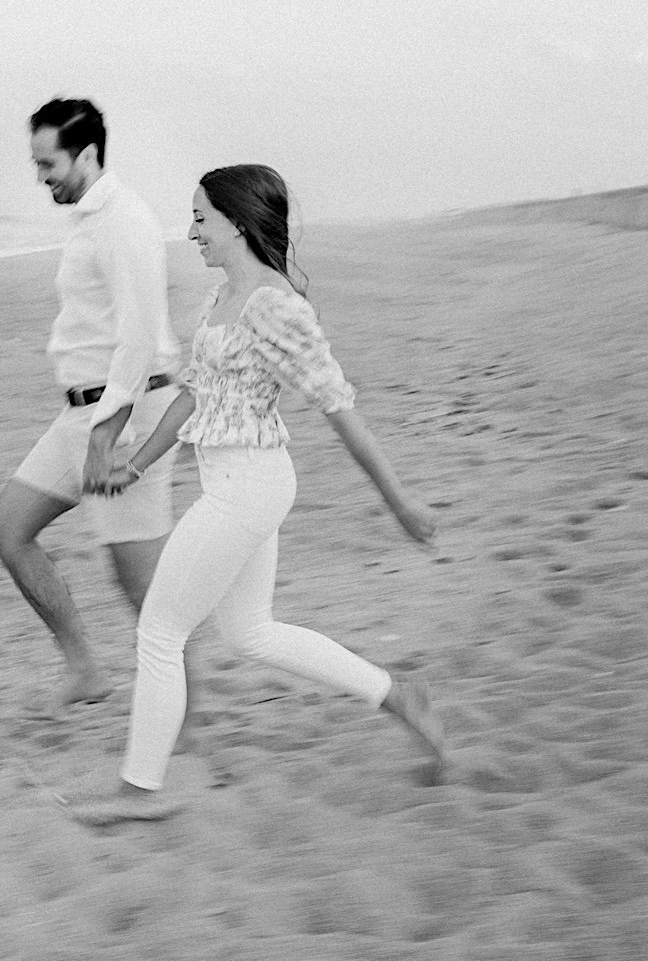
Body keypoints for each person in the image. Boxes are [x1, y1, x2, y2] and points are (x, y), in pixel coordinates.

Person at [66, 163, 445, 826]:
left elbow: (339, 408)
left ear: (237, 222)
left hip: (248, 486)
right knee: (250, 633)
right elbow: (193, 394)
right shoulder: (221, 301)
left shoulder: (275, 307)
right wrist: (136, 463)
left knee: (159, 630)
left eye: (201, 219)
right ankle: (397, 696)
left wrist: (399, 500)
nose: (190, 233)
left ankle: (138, 792)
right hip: (240, 481)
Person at [0, 97, 194, 714]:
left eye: (48, 163)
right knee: (8, 530)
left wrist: (106, 438)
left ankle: (191, 700)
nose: (41, 176)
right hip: (83, 412)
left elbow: (139, 339)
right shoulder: (87, 217)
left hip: (127, 416)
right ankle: (84, 669)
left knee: (140, 584)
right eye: (36, 163)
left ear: (88, 154)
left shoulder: (123, 222)